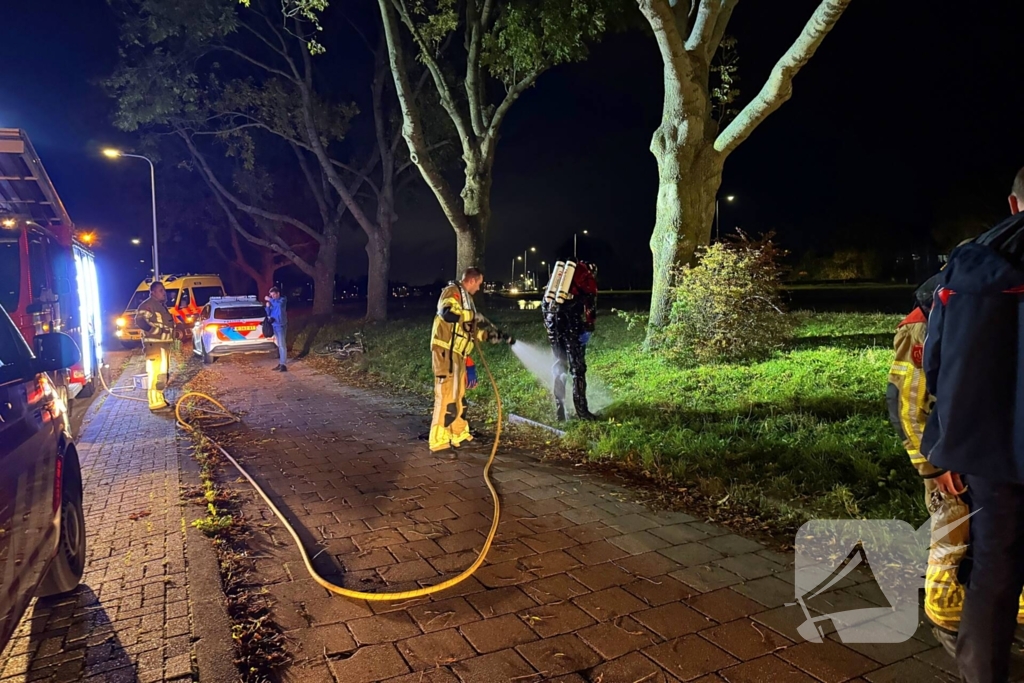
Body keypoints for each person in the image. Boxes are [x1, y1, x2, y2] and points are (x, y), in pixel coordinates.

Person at [923, 167, 1024, 682]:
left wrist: (940, 449)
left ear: (1013, 203)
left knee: (993, 570)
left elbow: (936, 364)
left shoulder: (965, 269)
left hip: (988, 451)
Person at [429, 267, 492, 453]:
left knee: (458, 398)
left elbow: (465, 329)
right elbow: (446, 313)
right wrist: (471, 316)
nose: (479, 288)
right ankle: (438, 442)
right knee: (446, 397)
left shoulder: (466, 299)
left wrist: (486, 336)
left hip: (458, 355)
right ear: (471, 281)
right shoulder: (452, 292)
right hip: (445, 353)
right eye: (479, 284)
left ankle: (458, 434)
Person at [542, 260, 598, 421]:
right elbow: (590, 305)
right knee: (577, 369)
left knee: (560, 365)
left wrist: (549, 326)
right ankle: (582, 412)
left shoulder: (558, 279)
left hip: (553, 322)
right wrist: (588, 327)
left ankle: (560, 411)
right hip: (572, 324)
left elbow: (545, 303)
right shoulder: (587, 279)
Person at [135, 281, 175, 411]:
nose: (164, 293)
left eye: (164, 290)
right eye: (161, 291)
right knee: (156, 374)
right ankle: (155, 403)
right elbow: (140, 321)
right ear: (153, 292)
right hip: (155, 347)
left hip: (162, 345)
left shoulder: (160, 306)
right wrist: (156, 332)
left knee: (162, 374)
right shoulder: (148, 305)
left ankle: (159, 399)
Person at [265, 286, 288, 372]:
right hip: (274, 325)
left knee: (282, 345)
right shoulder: (273, 302)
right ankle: (281, 362)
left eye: (274, 295)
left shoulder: (282, 300)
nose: (272, 297)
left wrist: (270, 300)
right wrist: (267, 307)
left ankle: (283, 364)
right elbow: (269, 313)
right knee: (279, 344)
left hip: (281, 325)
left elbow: (278, 305)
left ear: (278, 294)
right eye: (271, 296)